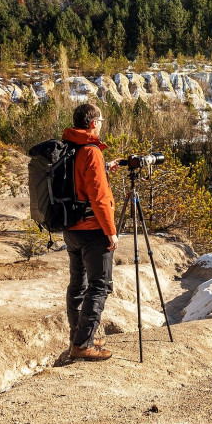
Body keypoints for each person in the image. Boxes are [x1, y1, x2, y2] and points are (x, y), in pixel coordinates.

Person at [63, 103, 120, 361]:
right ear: (94, 123)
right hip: (92, 229)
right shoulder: (91, 151)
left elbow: (78, 181)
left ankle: (78, 337)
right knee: (99, 286)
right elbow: (98, 197)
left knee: (78, 284)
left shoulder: (70, 147)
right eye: (101, 119)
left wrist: (105, 169)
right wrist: (111, 231)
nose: (102, 122)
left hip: (71, 229)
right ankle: (83, 343)